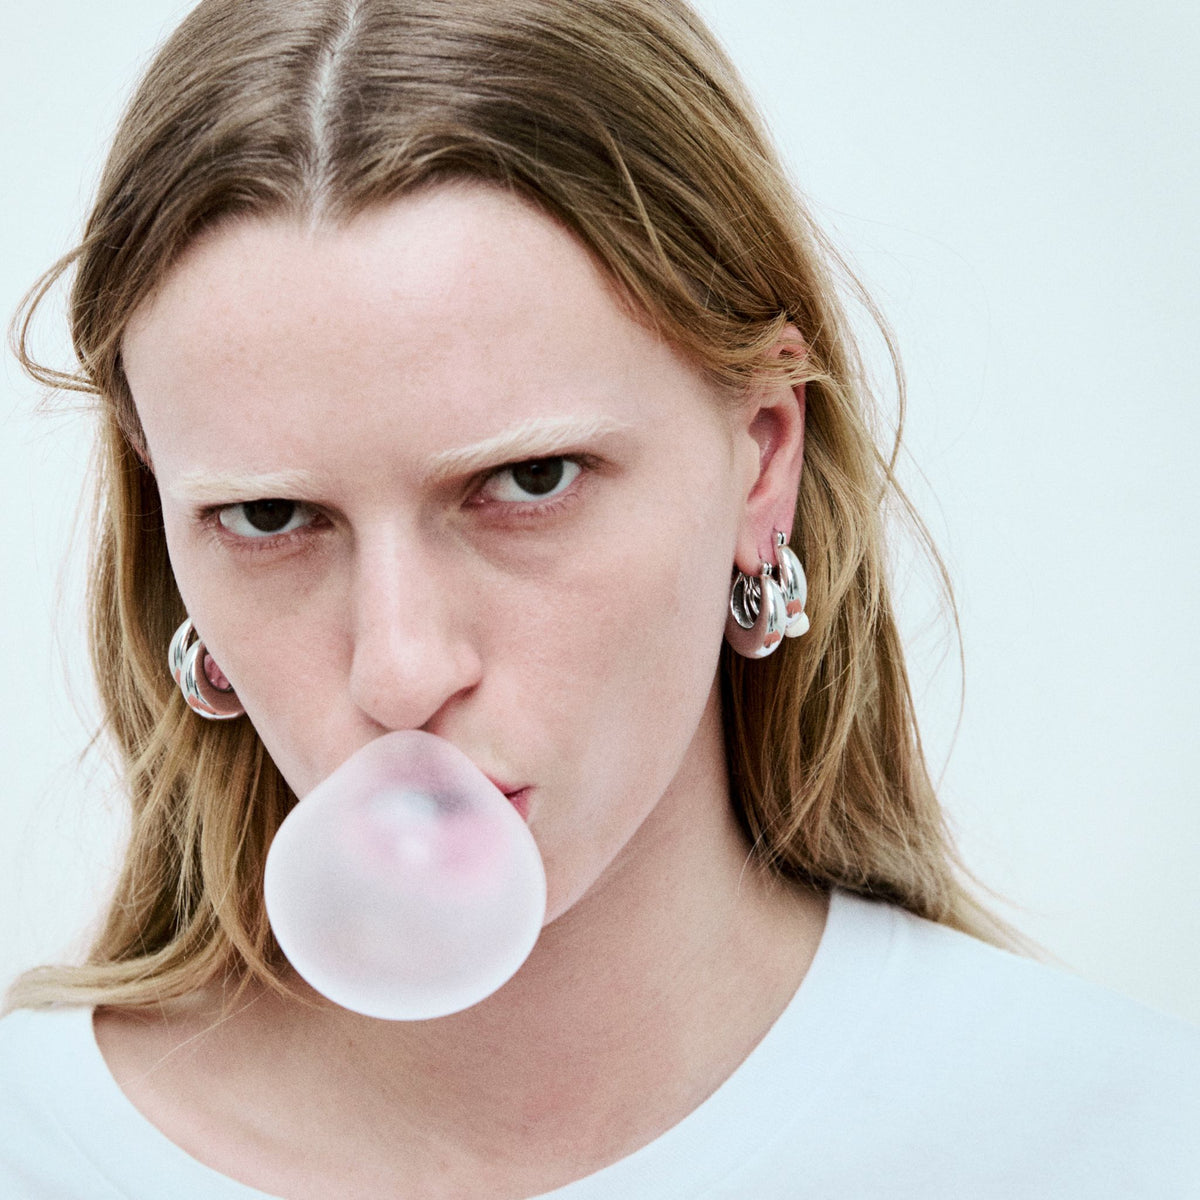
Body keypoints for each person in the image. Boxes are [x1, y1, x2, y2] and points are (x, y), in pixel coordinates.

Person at [2, 0, 1197, 1196]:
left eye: (528, 482)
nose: (402, 670)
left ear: (762, 458)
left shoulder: (1117, 1143)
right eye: (269, 519)